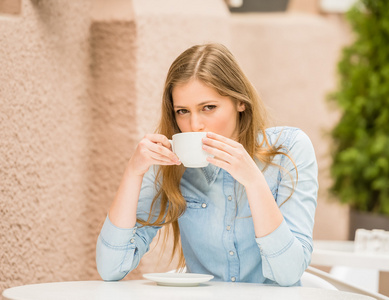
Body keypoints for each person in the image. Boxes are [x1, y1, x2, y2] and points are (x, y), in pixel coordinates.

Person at [96, 43, 318, 286]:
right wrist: (133, 172)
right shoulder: (170, 163)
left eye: (208, 107)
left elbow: (288, 273)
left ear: (239, 102)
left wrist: (254, 182)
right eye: (182, 111)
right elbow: (111, 267)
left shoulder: (289, 149)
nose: (195, 124)